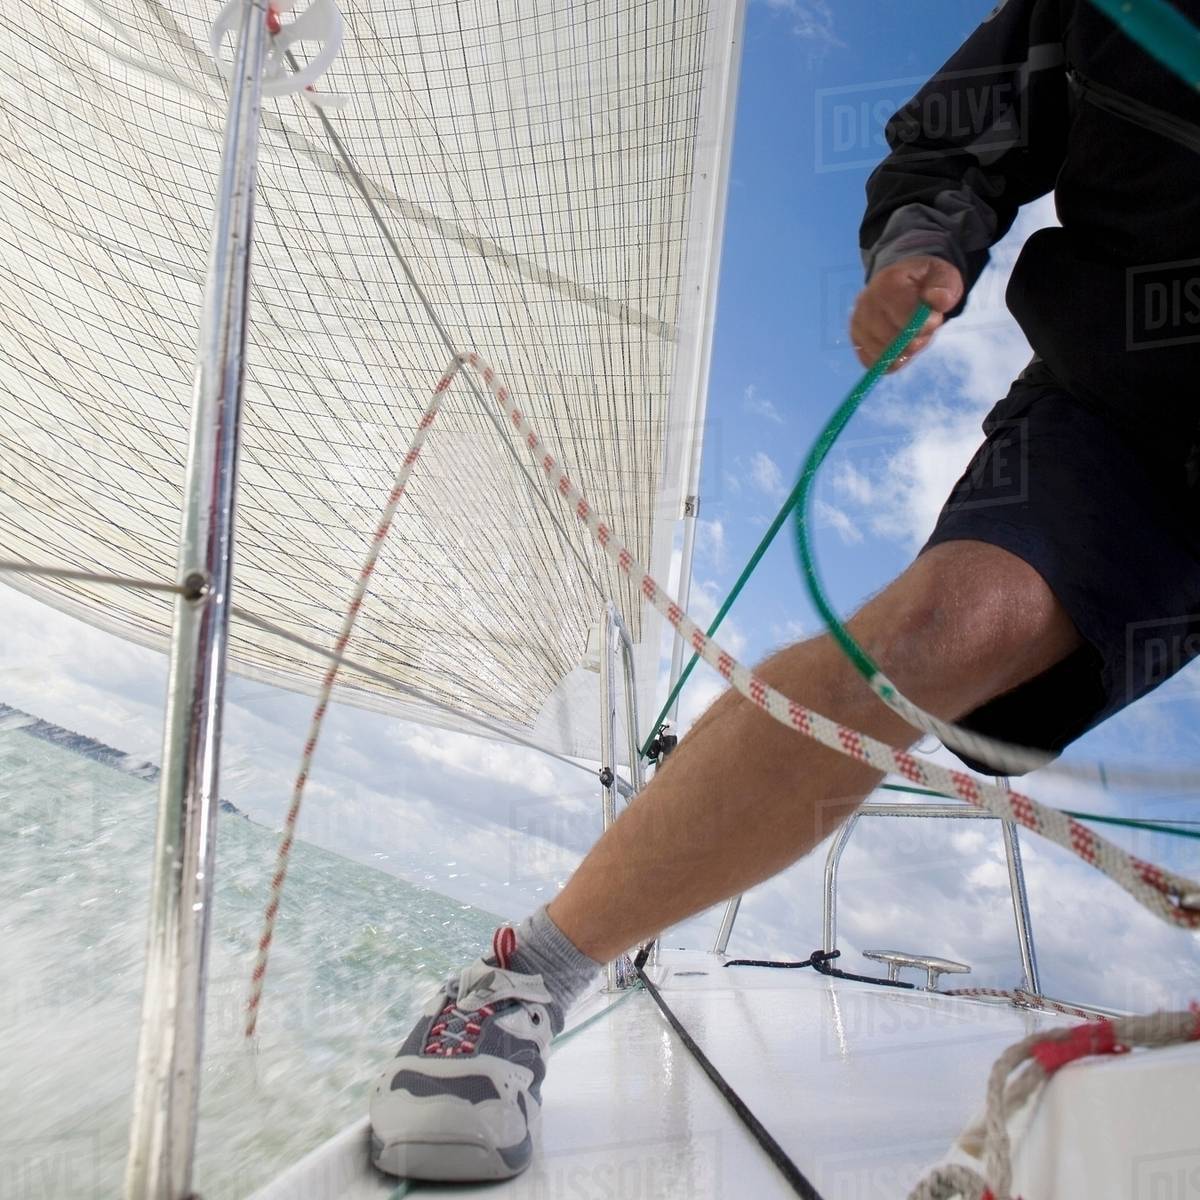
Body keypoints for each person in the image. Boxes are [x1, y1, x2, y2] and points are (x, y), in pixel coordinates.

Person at [369, 0, 1200, 1181]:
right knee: (934, 631)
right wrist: (927, 241)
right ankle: (528, 975)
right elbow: (963, 137)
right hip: (1125, 419)